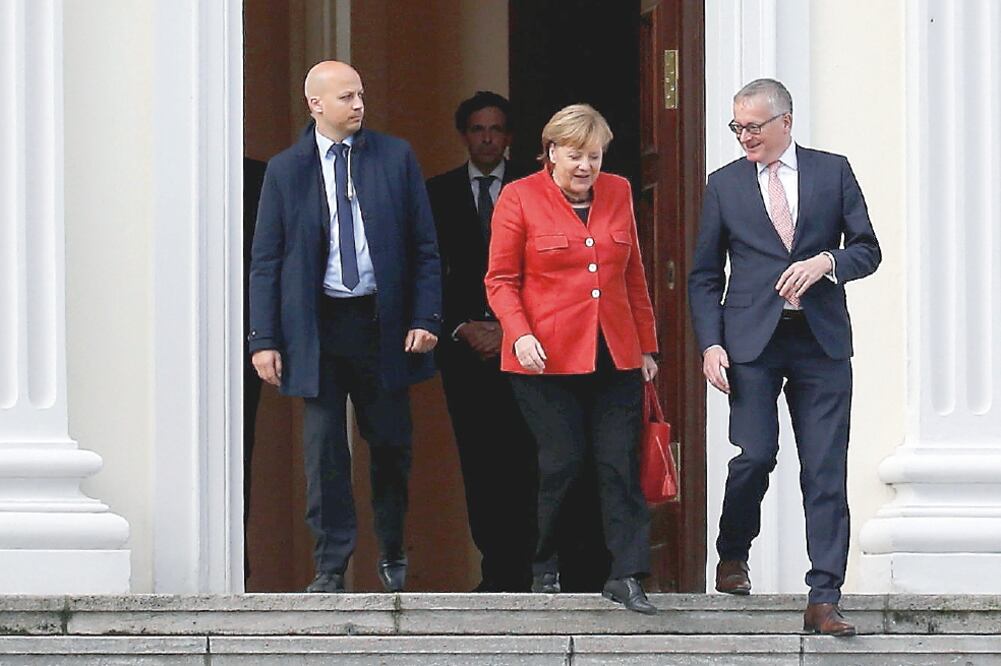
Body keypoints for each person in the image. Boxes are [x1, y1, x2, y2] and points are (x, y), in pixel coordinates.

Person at [688, 78, 880, 636]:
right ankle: (732, 550)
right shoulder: (723, 185)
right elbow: (704, 274)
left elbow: (868, 249)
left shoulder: (832, 171)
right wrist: (710, 342)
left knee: (824, 470)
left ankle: (824, 596)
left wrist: (827, 262)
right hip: (751, 343)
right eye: (737, 127)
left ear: (786, 122)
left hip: (820, 342)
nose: (743, 137)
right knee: (756, 455)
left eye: (753, 126)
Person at [249, 60, 442, 594]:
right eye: (346, 98)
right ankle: (330, 565)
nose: (358, 105)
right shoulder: (286, 170)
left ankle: (393, 550)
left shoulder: (395, 157)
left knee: (391, 444)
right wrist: (263, 339)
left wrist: (426, 317)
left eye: (361, 95)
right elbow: (266, 259)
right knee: (324, 451)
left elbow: (424, 246)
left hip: (383, 322)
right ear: (315, 105)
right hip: (318, 327)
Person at [485, 104, 660, 614]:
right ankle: (545, 565)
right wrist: (517, 334)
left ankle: (626, 574)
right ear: (551, 152)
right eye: (576, 156)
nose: (586, 167)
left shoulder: (620, 190)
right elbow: (500, 280)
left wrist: (646, 346)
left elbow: (633, 274)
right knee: (562, 462)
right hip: (544, 358)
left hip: (615, 353)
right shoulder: (519, 198)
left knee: (617, 464)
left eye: (595, 157)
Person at [426, 91, 536, 592]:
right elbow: (426, 272)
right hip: (464, 347)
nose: (487, 137)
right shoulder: (438, 192)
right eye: (477, 129)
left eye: (495, 129)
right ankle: (496, 571)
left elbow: (547, 272)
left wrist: (511, 328)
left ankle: (536, 567)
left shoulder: (536, 190)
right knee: (478, 459)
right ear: (464, 134)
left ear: (509, 136)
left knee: (529, 455)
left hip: (530, 347)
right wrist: (459, 325)